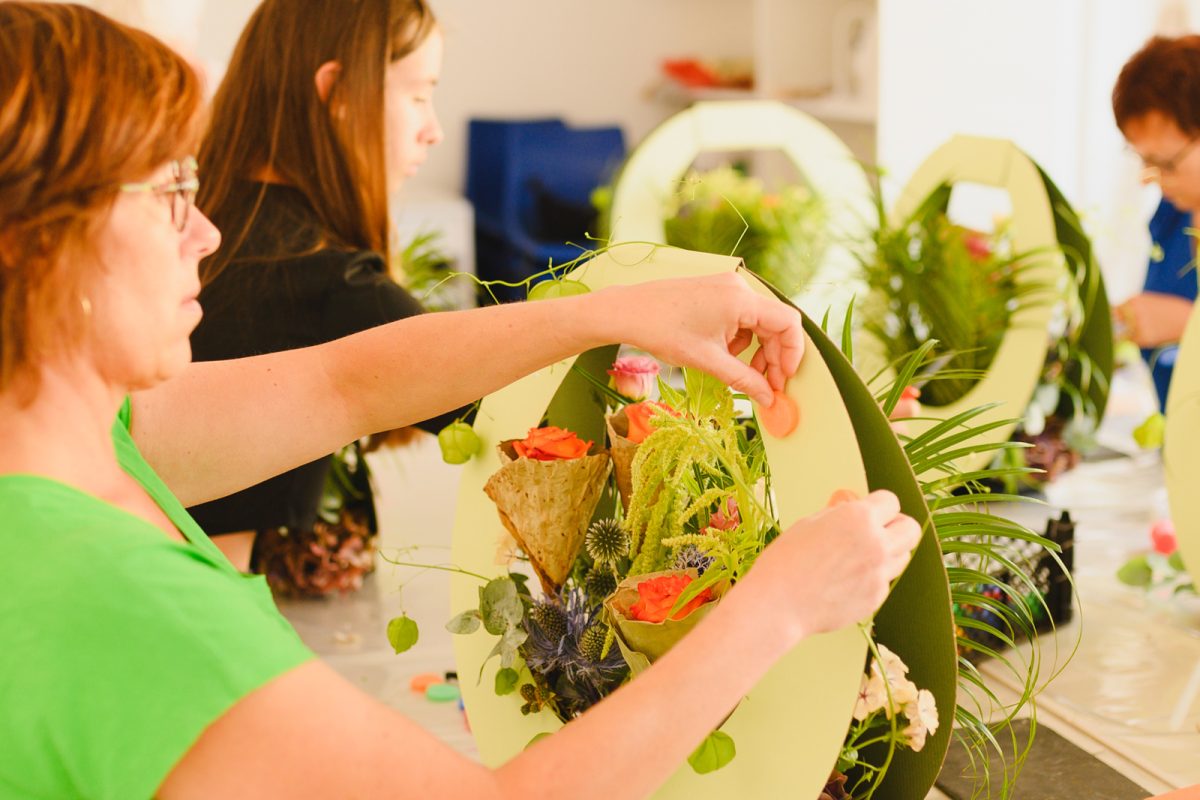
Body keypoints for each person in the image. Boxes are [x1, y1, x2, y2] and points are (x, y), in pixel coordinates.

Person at [0, 5, 920, 798]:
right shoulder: (111, 596)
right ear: (38, 242)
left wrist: (625, 311)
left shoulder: (90, 445)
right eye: (169, 193)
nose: (204, 232)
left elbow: (344, 381)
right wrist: (779, 607)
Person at [185, 0, 459, 581]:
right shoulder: (313, 273)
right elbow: (495, 410)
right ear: (336, 91)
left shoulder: (218, 218)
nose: (432, 130)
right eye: (417, 95)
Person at [1112, 34, 1200, 408]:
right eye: (1142, 160)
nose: (1148, 178)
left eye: (1164, 163)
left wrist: (1188, 324)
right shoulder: (1171, 220)